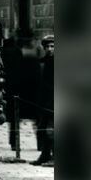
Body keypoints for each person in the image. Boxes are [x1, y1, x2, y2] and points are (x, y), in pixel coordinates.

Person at [33, 34, 55, 165]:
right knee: (42, 129)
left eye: (53, 46)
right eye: (47, 46)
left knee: (52, 130)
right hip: (44, 101)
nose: (50, 49)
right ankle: (45, 155)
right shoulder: (43, 61)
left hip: (54, 101)